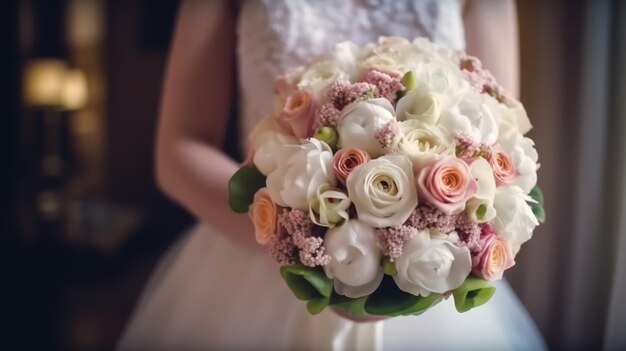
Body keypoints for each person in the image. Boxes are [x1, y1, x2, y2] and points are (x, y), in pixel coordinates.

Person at [118, 0, 546, 349]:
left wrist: (410, 247)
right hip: (252, 250)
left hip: (425, 269)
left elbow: (499, 140)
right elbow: (179, 149)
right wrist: (299, 243)